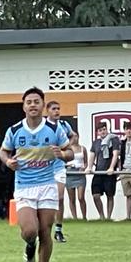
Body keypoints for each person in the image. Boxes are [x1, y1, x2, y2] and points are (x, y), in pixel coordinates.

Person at [0, 87, 73, 262]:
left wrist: (63, 154)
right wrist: (8, 162)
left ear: (42, 106)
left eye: (36, 102)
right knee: (30, 230)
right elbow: (3, 152)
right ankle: (30, 245)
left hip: (47, 184)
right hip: (24, 186)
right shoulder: (14, 130)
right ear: (24, 106)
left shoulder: (55, 129)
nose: (33, 105)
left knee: (45, 230)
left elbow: (70, 152)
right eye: (29, 102)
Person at [46, 101, 75, 242]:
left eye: (58, 108)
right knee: (47, 200)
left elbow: (73, 135)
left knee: (59, 197)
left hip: (59, 166)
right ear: (47, 111)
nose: (57, 111)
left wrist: (65, 149)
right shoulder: (43, 126)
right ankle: (44, 229)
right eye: (54, 109)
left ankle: (58, 229)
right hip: (45, 167)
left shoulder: (64, 125)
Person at [86, 122, 120, 220]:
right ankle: (102, 216)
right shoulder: (95, 142)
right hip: (98, 172)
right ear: (97, 132)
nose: (103, 132)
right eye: (100, 130)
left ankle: (109, 217)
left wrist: (112, 167)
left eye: (104, 129)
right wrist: (89, 167)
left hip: (109, 173)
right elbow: (92, 155)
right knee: (96, 195)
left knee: (110, 195)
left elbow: (115, 154)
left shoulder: (114, 139)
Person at [65, 132, 88, 220]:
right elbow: (62, 161)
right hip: (70, 173)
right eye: (73, 137)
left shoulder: (83, 149)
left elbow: (85, 162)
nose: (75, 139)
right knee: (72, 198)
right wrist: (67, 166)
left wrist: (84, 168)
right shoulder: (67, 149)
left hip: (80, 173)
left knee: (81, 197)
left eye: (76, 136)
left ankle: (84, 217)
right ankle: (75, 218)